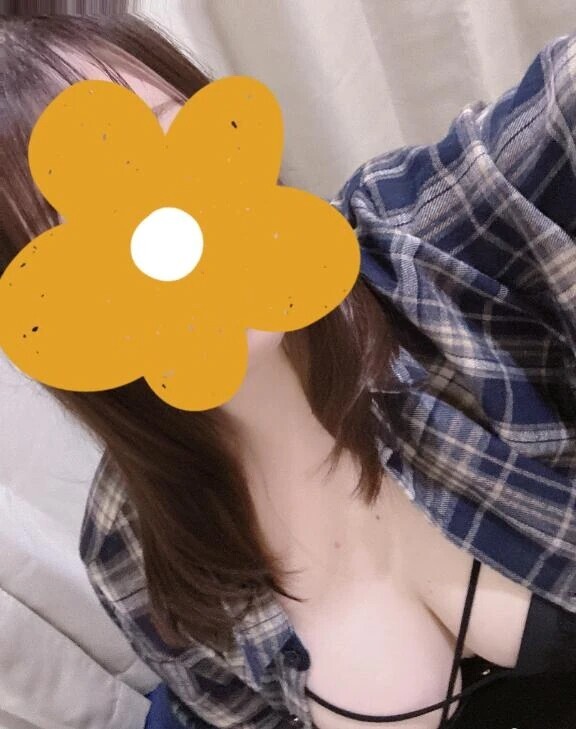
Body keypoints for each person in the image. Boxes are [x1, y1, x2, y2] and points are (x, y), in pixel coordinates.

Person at [1, 11, 576, 729]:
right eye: (84, 214)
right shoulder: (131, 548)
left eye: (170, 139)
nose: (168, 226)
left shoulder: (422, 246)